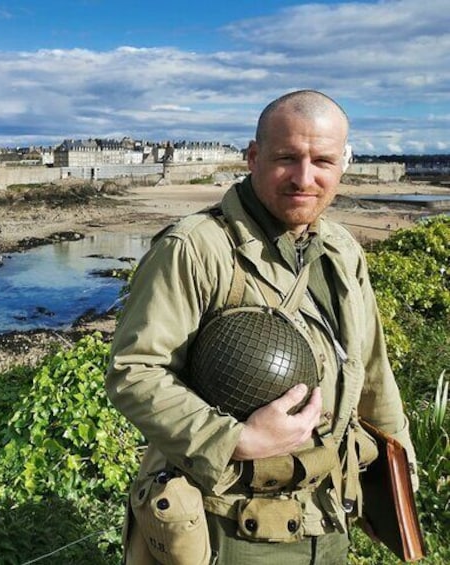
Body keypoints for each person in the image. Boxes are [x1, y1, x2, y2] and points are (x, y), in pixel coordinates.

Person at [105, 90, 418, 564]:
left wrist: (402, 475)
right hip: (227, 523)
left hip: (329, 513)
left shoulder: (341, 250)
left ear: (343, 165)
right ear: (253, 158)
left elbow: (372, 371)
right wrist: (236, 440)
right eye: (286, 158)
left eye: (323, 161)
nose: (304, 178)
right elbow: (135, 371)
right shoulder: (195, 249)